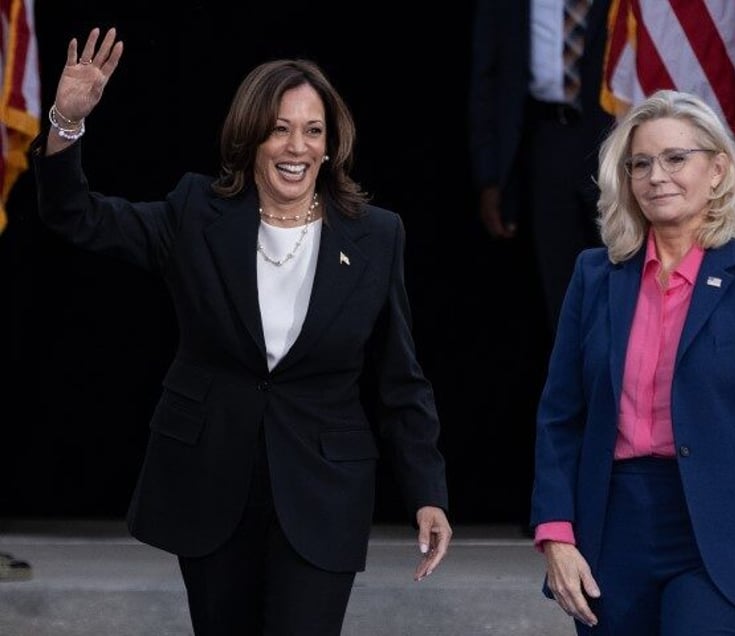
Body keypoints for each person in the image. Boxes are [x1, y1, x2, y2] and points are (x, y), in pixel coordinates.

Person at [31, 27, 452, 636]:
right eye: (280, 128)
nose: (296, 146)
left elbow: (401, 378)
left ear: (331, 145)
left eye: (312, 131)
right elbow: (77, 217)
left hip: (322, 488)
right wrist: (66, 124)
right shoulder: (196, 211)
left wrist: (427, 491)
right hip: (210, 480)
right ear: (250, 135)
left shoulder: (377, 236)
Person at [530, 89, 735, 636]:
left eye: (675, 158)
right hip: (611, 528)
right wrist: (556, 532)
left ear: (718, 170)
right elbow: (560, 417)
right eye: (641, 163)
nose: (656, 176)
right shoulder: (595, 277)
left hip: (719, 536)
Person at [468, 0, 616, 331]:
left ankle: (624, 378)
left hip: (617, 139)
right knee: (561, 283)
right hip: (548, 139)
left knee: (623, 270)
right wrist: (489, 176)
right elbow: (487, 78)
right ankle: (573, 378)